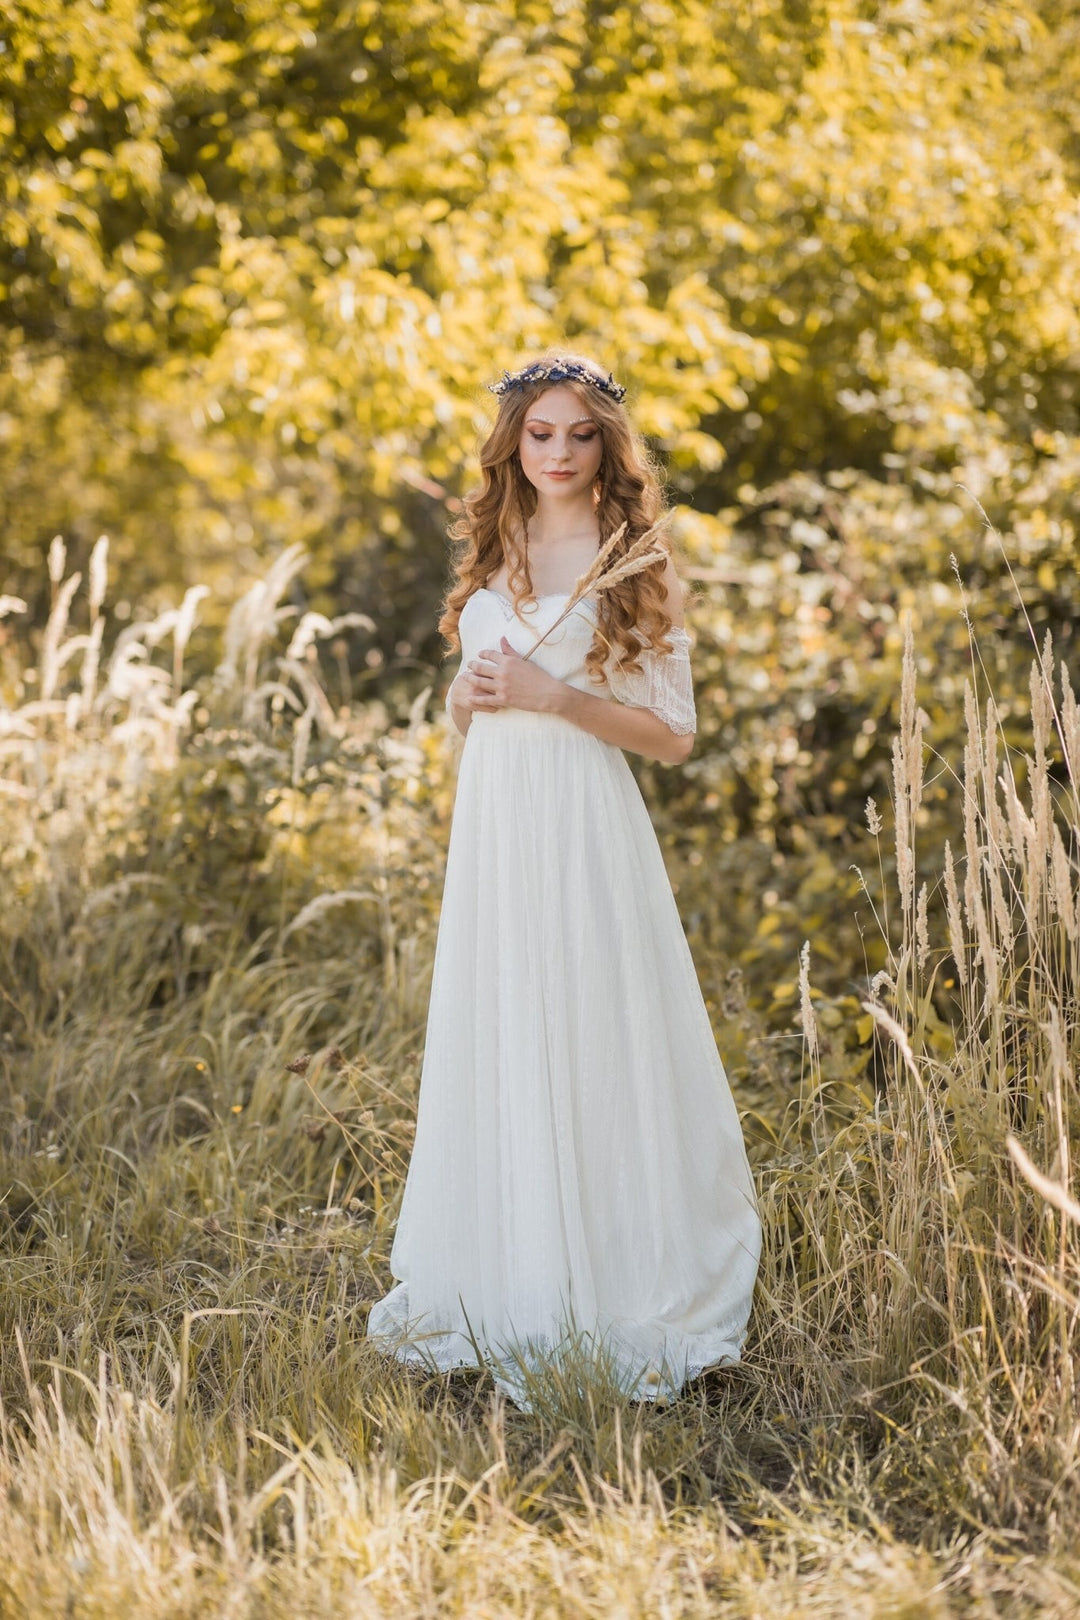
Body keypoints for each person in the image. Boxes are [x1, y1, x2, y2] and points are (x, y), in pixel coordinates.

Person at [365, 352, 761, 1410]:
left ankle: (614, 1268)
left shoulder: (632, 555)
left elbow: (673, 735)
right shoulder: (497, 545)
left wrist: (553, 693)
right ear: (513, 443)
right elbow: (466, 708)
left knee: (588, 1023)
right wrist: (474, 694)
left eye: (578, 435)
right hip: (497, 826)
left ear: (606, 448)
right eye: (538, 434)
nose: (557, 453)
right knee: (505, 1021)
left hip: (582, 822)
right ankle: (507, 1264)